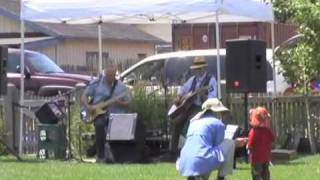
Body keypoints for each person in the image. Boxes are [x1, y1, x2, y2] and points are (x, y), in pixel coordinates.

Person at [176, 98, 248, 180]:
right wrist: (235, 143)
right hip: (203, 158)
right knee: (229, 144)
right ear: (214, 111)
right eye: (221, 112)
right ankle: (221, 177)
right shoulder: (217, 123)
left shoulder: (193, 122)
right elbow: (219, 144)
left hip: (184, 161)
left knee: (206, 151)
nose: (222, 115)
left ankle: (195, 176)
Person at [168, 56, 218, 159]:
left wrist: (202, 94)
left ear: (204, 68)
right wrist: (179, 97)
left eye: (199, 68)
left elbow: (212, 99)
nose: (197, 71)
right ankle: (173, 152)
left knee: (192, 123)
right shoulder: (192, 79)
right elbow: (182, 90)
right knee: (176, 122)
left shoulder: (211, 80)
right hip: (189, 106)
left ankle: (191, 151)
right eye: (196, 69)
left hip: (203, 108)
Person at [81, 65, 131, 163]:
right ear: (105, 74)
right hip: (99, 114)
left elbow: (128, 103)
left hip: (116, 116)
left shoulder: (121, 87)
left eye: (112, 76)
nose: (110, 78)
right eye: (108, 76)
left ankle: (117, 156)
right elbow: (84, 96)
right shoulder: (97, 83)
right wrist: (88, 107)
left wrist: (120, 103)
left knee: (122, 126)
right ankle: (101, 156)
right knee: (100, 124)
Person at [248, 107, 275, 180]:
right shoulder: (267, 131)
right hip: (266, 157)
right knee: (266, 174)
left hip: (256, 159)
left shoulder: (253, 131)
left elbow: (250, 145)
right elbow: (273, 139)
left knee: (256, 175)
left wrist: (248, 148)